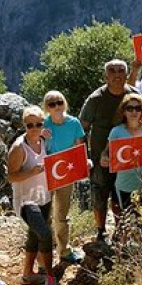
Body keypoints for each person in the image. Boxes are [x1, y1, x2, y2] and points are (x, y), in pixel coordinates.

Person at [79, 59, 137, 242]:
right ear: (106, 76)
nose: (117, 74)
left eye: (121, 70)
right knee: (100, 194)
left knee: (122, 195)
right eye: (112, 71)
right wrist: (86, 157)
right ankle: (100, 230)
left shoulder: (133, 96)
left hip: (127, 157)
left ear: (126, 74)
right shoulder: (96, 99)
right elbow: (82, 129)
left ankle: (122, 231)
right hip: (100, 158)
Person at [7, 106, 57, 285]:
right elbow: (11, 177)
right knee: (44, 233)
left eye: (38, 124)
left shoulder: (43, 139)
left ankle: (28, 273)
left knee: (34, 235)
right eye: (30, 125)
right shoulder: (19, 148)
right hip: (27, 200)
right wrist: (30, 172)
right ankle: (50, 276)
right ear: (24, 125)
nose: (34, 128)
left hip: (44, 195)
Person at [40, 90, 86, 264]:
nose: (57, 106)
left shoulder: (74, 123)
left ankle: (64, 250)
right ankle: (43, 255)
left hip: (66, 173)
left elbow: (79, 148)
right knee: (44, 215)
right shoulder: (43, 124)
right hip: (46, 174)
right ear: (47, 108)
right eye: (52, 104)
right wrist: (40, 137)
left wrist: (82, 167)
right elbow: (34, 147)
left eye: (59, 102)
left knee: (61, 214)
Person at [103, 93, 142, 212]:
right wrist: (105, 159)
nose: (134, 112)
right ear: (124, 111)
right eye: (130, 108)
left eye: (137, 108)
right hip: (125, 186)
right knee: (129, 224)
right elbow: (106, 153)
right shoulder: (116, 132)